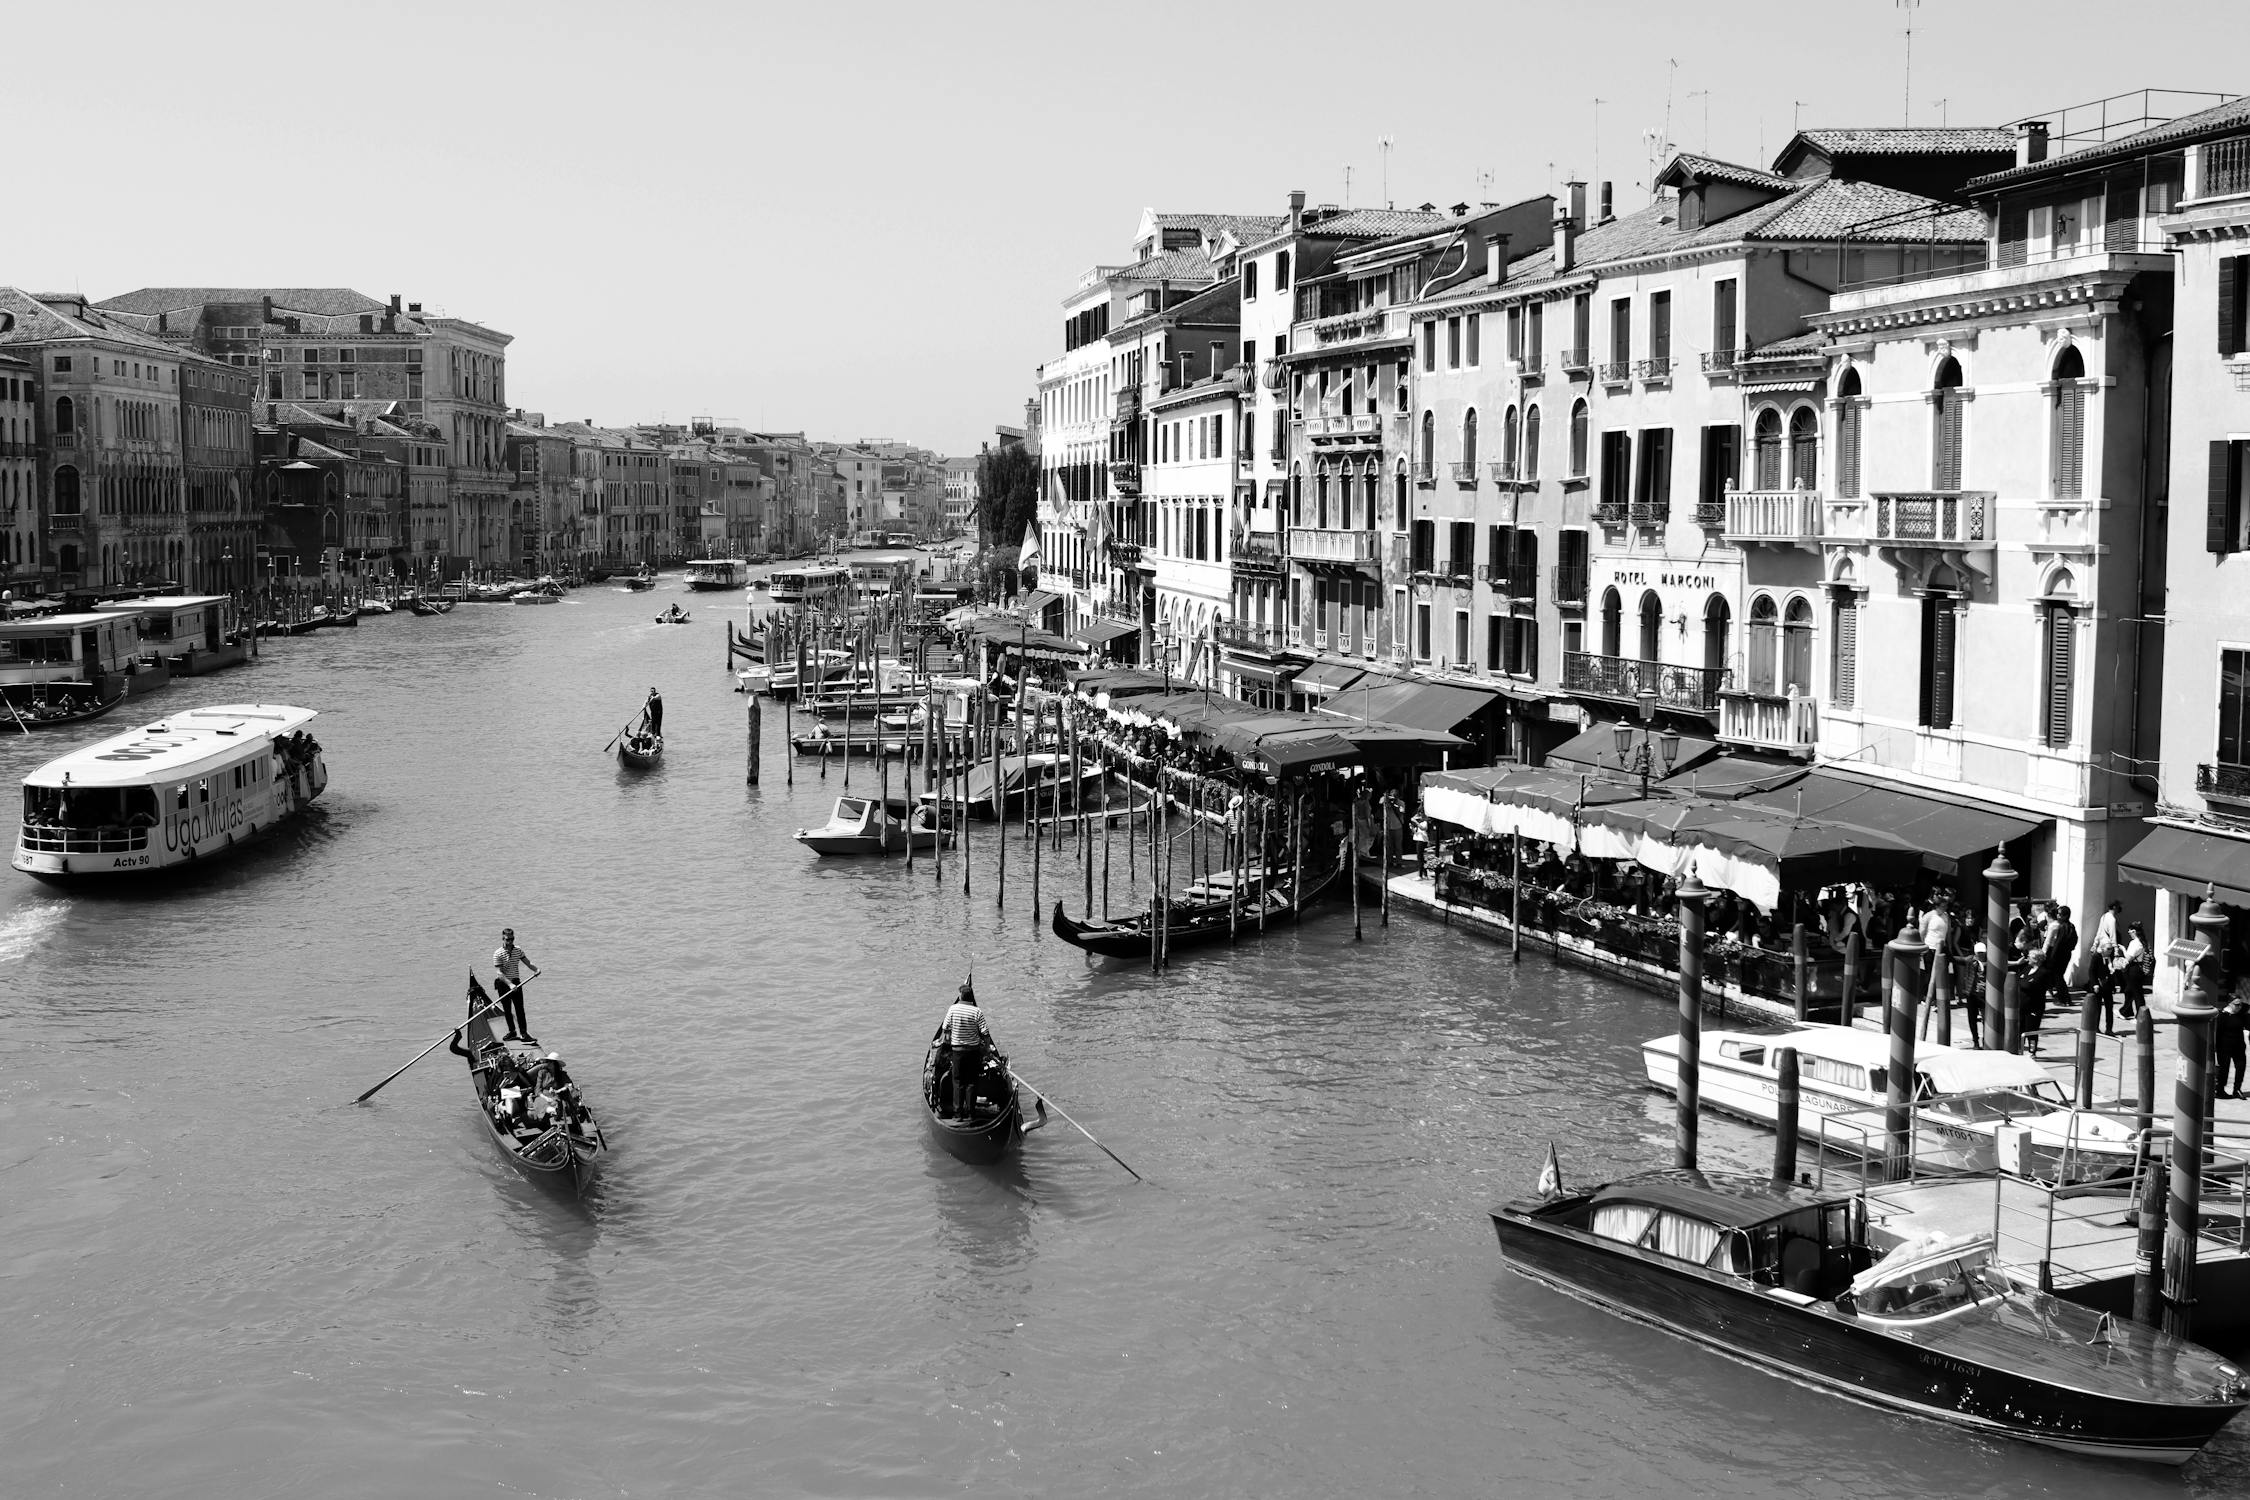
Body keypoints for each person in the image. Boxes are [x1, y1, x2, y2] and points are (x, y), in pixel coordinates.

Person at [940, 982, 994, 1117]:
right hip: (973, 1052)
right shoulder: (977, 1011)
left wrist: (949, 1039)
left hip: (957, 1052)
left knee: (958, 1082)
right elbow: (986, 1034)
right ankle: (971, 1113)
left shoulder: (952, 1009)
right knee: (971, 1082)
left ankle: (958, 1114)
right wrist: (986, 1049)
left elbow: (945, 1028)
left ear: (961, 997)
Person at [493, 927, 542, 1043]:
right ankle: (512, 1032)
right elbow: (499, 973)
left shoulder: (518, 950)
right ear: (503, 939)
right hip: (503, 984)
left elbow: (528, 962)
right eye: (507, 939)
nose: (510, 942)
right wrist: (509, 984)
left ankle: (524, 1034)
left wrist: (536, 969)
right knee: (507, 1009)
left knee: (520, 1009)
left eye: (512, 939)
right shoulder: (498, 953)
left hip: (516, 982)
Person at [2218, 991, 2250, 1100]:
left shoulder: (2241, 1014)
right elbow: (2218, 1033)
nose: (2239, 1006)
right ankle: (2220, 1090)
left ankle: (2237, 1090)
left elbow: (2247, 1006)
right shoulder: (2223, 1016)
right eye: (2236, 1004)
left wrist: (2239, 1002)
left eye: (2240, 1004)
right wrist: (2216, 1050)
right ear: (2229, 1004)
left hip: (2239, 1047)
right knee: (2224, 1069)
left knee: (2241, 1068)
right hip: (2225, 1047)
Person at [2118, 922, 2151, 1021]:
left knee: (2137, 993)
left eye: (2130, 930)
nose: (2128, 932)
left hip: (2134, 969)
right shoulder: (2143, 941)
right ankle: (2126, 1011)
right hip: (2139, 969)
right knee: (2130, 990)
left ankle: (2140, 1016)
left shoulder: (2135, 943)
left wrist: (2123, 949)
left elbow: (2128, 957)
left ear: (2134, 931)